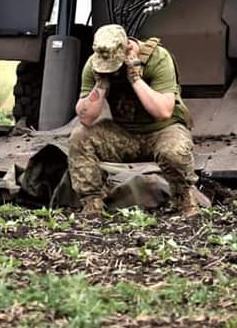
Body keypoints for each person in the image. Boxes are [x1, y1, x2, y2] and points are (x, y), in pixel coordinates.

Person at [67, 24, 200, 217]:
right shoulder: (95, 63)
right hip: (124, 134)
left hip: (162, 130)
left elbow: (163, 111)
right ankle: (92, 204)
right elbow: (86, 117)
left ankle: (184, 200)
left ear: (129, 48)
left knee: (174, 151)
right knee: (80, 137)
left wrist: (136, 79)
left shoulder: (158, 58)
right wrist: (101, 84)